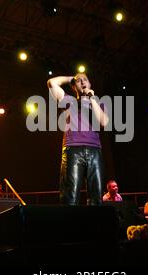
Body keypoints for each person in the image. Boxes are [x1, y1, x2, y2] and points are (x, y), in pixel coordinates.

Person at [47, 73, 109, 205]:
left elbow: (104, 122)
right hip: (73, 148)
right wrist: (71, 79)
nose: (82, 82)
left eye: (85, 79)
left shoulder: (99, 103)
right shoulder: (69, 100)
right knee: (70, 196)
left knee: (96, 196)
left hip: (94, 150)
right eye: (79, 81)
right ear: (74, 87)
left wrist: (91, 98)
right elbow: (51, 82)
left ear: (90, 84)